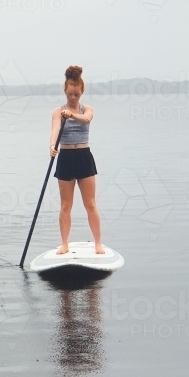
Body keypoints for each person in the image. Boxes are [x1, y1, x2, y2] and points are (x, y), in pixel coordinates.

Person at [49, 65, 104, 255]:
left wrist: (72, 115)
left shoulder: (86, 109)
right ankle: (65, 244)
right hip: (65, 157)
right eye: (70, 94)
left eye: (76, 95)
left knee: (90, 203)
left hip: (83, 156)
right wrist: (52, 146)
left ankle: (98, 243)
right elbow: (55, 130)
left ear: (81, 93)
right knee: (66, 205)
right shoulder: (58, 112)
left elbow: (87, 119)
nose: (73, 98)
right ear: (65, 91)